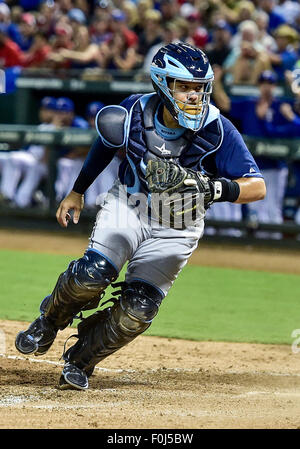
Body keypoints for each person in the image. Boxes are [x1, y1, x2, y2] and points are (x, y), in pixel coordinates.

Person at [15, 43, 266, 391]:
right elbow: (106, 142)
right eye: (185, 87)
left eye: (200, 87)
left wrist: (213, 188)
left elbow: (257, 187)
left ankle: (82, 360)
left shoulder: (217, 128)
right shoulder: (134, 108)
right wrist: (77, 190)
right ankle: (49, 321)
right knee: (92, 274)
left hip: (178, 227)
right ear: (162, 83)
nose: (194, 96)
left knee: (139, 310)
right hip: (129, 208)